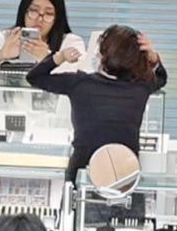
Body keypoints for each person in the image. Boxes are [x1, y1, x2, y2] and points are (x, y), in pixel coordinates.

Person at [27, 26, 169, 181]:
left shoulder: (79, 84)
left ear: (102, 54)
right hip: (126, 180)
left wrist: (59, 57)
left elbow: (34, 77)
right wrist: (154, 57)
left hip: (81, 176)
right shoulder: (142, 87)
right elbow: (161, 78)